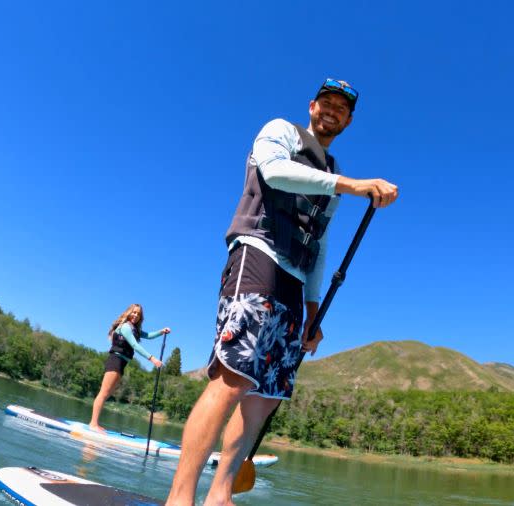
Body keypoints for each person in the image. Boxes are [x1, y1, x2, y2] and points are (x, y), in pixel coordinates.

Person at [166, 79, 399, 506]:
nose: (332, 111)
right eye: (326, 103)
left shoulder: (330, 173)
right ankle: (179, 499)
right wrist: (353, 184)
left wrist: (314, 312)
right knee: (232, 379)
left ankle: (219, 496)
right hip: (257, 256)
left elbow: (320, 245)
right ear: (312, 107)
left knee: (265, 396)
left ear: (348, 121)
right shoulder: (281, 131)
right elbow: (273, 171)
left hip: (294, 283)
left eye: (341, 109)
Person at [89, 303, 170, 432]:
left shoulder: (135, 329)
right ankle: (93, 424)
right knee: (103, 393)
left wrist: (161, 331)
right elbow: (135, 345)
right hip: (115, 360)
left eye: (138, 314)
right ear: (128, 313)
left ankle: (95, 423)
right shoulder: (126, 327)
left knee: (107, 394)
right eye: (134, 312)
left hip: (122, 363)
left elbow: (148, 335)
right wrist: (152, 359)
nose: (136, 315)